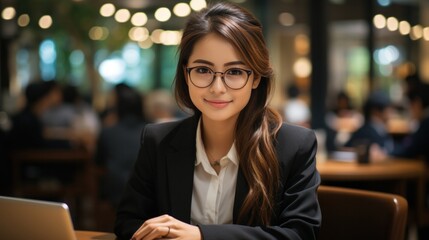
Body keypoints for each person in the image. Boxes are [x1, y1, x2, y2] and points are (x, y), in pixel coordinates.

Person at [115, 3, 321, 240]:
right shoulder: (157, 141)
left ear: (255, 78)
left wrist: (201, 236)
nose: (217, 88)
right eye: (203, 70)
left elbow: (299, 235)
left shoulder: (294, 146)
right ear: (186, 74)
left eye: (234, 72)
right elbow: (128, 224)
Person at [95, 83, 147, 208]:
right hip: (146, 193)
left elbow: (98, 162)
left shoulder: (108, 132)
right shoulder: (152, 132)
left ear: (118, 107)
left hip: (115, 192)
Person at [344, 91, 394, 161]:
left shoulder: (380, 129)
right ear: (376, 111)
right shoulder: (365, 133)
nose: (391, 113)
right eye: (388, 109)